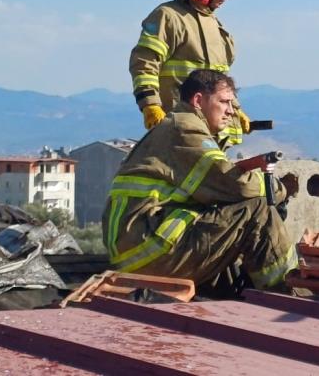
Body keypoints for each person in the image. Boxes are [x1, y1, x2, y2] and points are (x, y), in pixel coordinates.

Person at [102, 69, 297, 290]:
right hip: (151, 252)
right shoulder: (185, 129)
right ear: (198, 100)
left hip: (140, 250)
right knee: (257, 208)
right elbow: (235, 185)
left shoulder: (174, 127)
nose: (231, 112)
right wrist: (278, 189)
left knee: (226, 215)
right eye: (224, 102)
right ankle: (287, 294)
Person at [130, 0, 251, 146]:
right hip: (182, 129)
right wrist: (150, 104)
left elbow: (218, 80)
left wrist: (235, 108)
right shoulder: (169, 17)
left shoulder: (214, 25)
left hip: (211, 135)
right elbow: (144, 62)